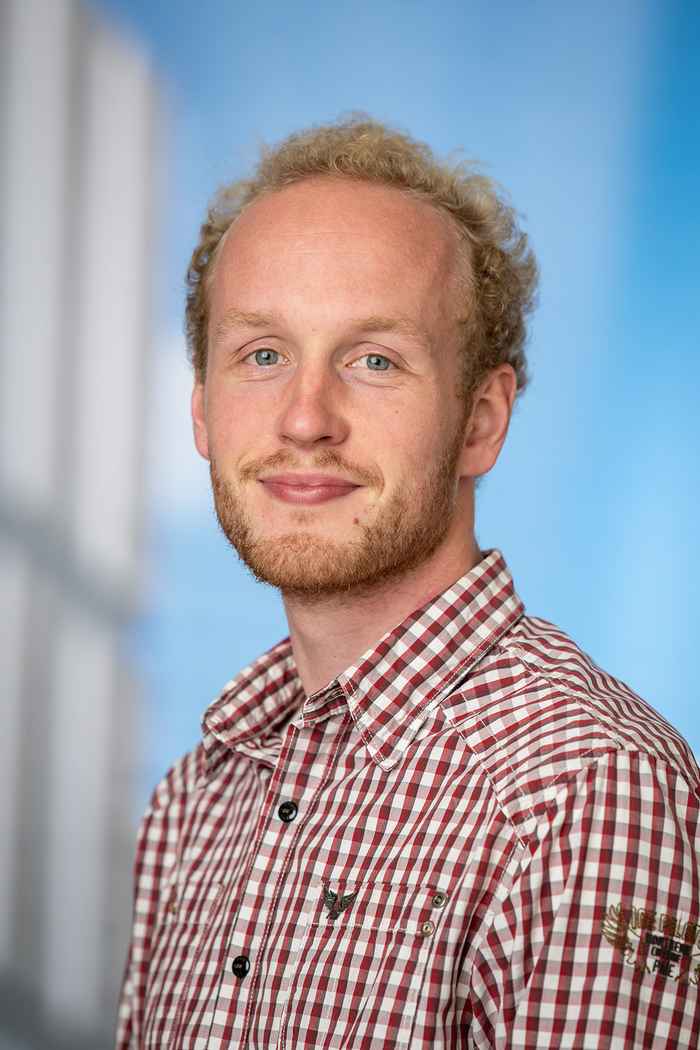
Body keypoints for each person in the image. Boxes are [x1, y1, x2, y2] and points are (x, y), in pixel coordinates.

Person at [116, 117, 700, 1049]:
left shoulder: (583, 793)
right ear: (202, 412)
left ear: (482, 421)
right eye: (262, 355)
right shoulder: (195, 802)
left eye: (374, 360)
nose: (305, 418)